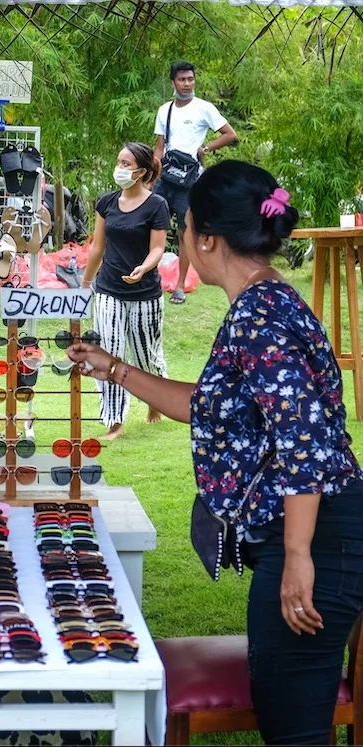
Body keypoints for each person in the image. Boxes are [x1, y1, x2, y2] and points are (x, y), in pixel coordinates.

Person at [69, 159, 363, 744]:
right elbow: (210, 404)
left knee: (294, 729)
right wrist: (115, 369)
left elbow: (301, 437)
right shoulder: (263, 302)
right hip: (312, 528)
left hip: (315, 535)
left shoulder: (261, 315)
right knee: (288, 717)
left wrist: (299, 553)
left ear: (206, 238)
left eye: (184, 229)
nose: (180, 240)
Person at [81, 142, 170, 440]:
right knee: (110, 355)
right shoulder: (106, 202)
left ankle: (155, 399)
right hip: (108, 289)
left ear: (142, 171)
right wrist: (85, 284)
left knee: (146, 357)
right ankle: (114, 421)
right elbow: (97, 247)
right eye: (118, 161)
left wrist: (144, 268)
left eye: (126, 164)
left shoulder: (157, 205)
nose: (119, 168)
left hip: (145, 294)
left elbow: (158, 247)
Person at [153, 60, 237, 305]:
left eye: (190, 79)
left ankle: (180, 286)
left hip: (191, 180)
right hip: (165, 178)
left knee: (185, 232)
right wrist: (151, 175)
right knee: (150, 225)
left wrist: (206, 148)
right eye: (182, 80)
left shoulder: (204, 108)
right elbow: (159, 147)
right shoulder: (165, 110)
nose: (187, 84)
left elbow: (230, 134)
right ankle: (145, 278)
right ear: (173, 83)